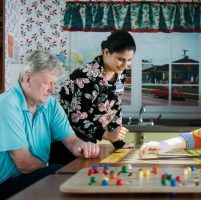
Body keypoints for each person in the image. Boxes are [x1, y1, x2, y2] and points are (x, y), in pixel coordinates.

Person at [0, 50, 101, 199]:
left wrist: (83, 147)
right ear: (28, 79)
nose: (53, 89)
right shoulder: (7, 104)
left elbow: (71, 140)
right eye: (48, 83)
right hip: (5, 185)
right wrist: (56, 173)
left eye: (55, 83)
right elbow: (23, 162)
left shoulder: (51, 106)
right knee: (59, 173)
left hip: (28, 178)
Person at [50, 31, 136, 165]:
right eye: (121, 59)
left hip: (89, 141)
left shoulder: (120, 74)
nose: (125, 65)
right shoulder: (87, 76)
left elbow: (115, 106)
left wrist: (118, 142)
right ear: (106, 53)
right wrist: (107, 135)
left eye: (129, 60)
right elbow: (76, 117)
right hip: (66, 141)